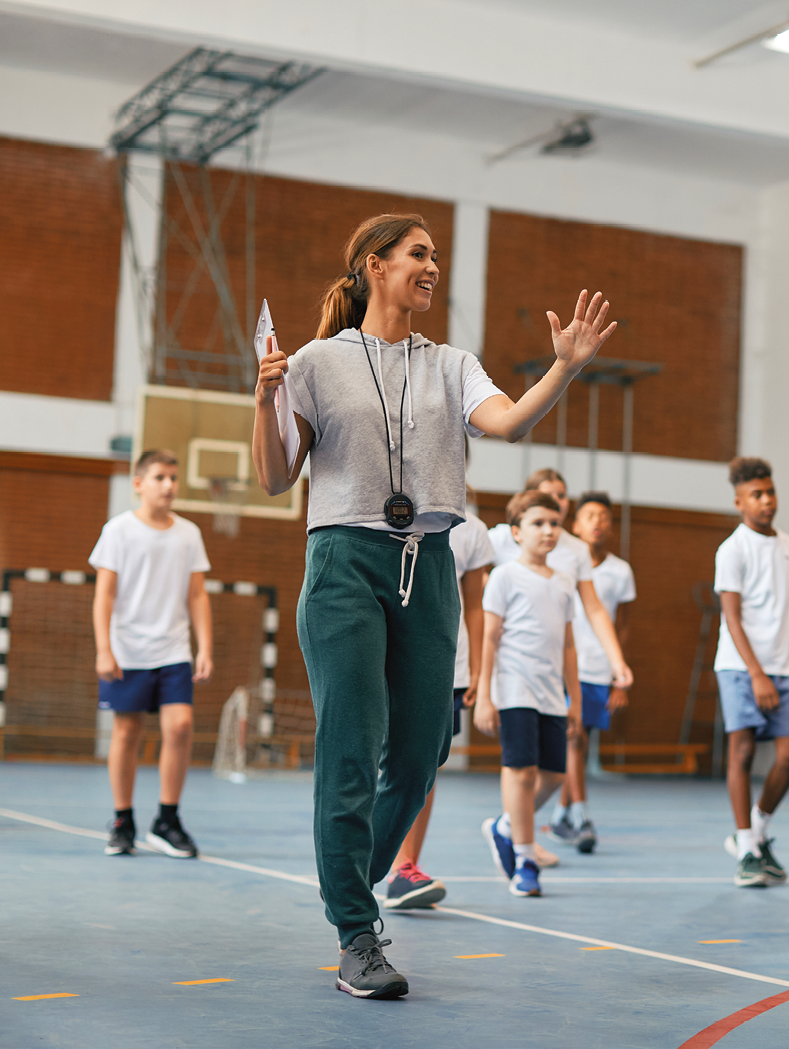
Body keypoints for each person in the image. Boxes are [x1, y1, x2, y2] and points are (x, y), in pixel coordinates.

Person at [252, 211, 617, 999]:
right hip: (344, 559)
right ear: (373, 266)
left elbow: (510, 423)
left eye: (435, 256)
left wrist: (563, 369)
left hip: (430, 565)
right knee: (350, 748)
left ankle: (353, 886)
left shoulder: (452, 364)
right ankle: (355, 930)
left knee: (418, 757)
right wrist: (263, 403)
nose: (431, 266)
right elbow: (276, 479)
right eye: (417, 254)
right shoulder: (314, 362)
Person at [489, 468, 633, 853]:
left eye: (563, 495)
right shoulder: (504, 538)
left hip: (561, 666)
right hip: (515, 668)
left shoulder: (575, 550)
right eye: (547, 494)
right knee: (522, 765)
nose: (559, 501)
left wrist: (616, 661)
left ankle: (511, 826)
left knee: (556, 764)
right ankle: (523, 846)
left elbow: (596, 609)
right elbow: (479, 592)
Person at [90, 449, 213, 859]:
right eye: (160, 477)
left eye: (174, 478)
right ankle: (123, 820)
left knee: (179, 727)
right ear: (139, 483)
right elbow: (104, 594)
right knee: (127, 732)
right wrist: (104, 649)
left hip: (173, 648)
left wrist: (204, 647)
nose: (169, 485)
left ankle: (167, 820)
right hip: (127, 651)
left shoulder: (188, 534)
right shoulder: (118, 530)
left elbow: (197, 594)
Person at [383, 495, 493, 910]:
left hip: (448, 665)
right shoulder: (385, 513)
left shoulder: (474, 530)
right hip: (392, 656)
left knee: (424, 768)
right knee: (386, 760)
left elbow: (477, 607)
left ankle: (405, 867)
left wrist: (479, 669)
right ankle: (379, 862)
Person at [713, 457, 789, 888]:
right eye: (757, 494)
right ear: (739, 502)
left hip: (784, 668)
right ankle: (747, 849)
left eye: (770, 492)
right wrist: (756, 673)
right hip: (739, 668)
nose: (767, 500)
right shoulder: (732, 549)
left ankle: (757, 828)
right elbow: (732, 618)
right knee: (742, 753)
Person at [475, 490, 581, 898]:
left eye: (554, 524)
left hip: (552, 693)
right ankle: (525, 859)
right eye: (538, 523)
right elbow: (489, 639)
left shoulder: (565, 582)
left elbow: (569, 645)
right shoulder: (504, 576)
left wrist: (575, 699)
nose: (548, 531)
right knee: (520, 772)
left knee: (554, 775)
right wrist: (485, 696)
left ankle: (505, 825)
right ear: (516, 532)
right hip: (515, 688)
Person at [548, 492, 636, 852]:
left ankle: (559, 814)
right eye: (590, 516)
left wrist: (619, 677)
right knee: (575, 739)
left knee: (579, 743)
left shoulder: (621, 571)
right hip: (566, 666)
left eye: (604, 516)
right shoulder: (560, 561)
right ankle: (581, 814)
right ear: (576, 524)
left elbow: (623, 627)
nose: (598, 522)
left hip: (601, 670)